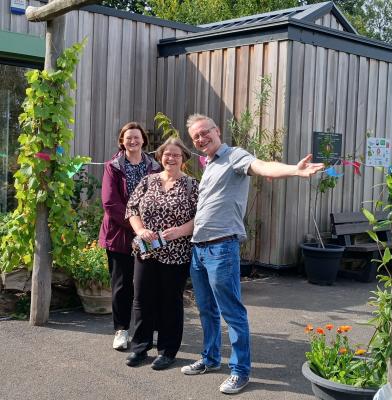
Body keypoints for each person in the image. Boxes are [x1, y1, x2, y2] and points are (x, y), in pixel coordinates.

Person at [181, 114, 325, 394]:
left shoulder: (234, 156)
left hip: (222, 247)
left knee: (231, 311)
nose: (200, 139)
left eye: (204, 132)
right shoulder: (210, 164)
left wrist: (294, 170)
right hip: (199, 248)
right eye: (195, 136)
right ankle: (210, 359)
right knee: (207, 310)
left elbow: (262, 167)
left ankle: (240, 370)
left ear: (217, 130)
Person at [125, 137, 199, 371]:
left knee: (170, 301)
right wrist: (141, 230)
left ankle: (167, 351)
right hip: (146, 251)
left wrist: (180, 232)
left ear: (183, 158)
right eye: (167, 154)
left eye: (176, 154)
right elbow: (132, 209)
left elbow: (202, 218)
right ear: (160, 157)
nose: (171, 158)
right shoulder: (148, 181)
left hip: (176, 253)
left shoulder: (191, 185)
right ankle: (140, 348)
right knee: (141, 299)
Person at [99, 121, 160, 351]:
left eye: (137, 137)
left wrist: (148, 229)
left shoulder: (154, 167)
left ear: (143, 140)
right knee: (122, 285)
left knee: (146, 285)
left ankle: (145, 330)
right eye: (128, 138)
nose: (133, 141)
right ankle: (121, 330)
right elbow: (110, 202)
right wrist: (136, 228)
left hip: (148, 235)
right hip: (120, 234)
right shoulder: (113, 166)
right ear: (122, 142)